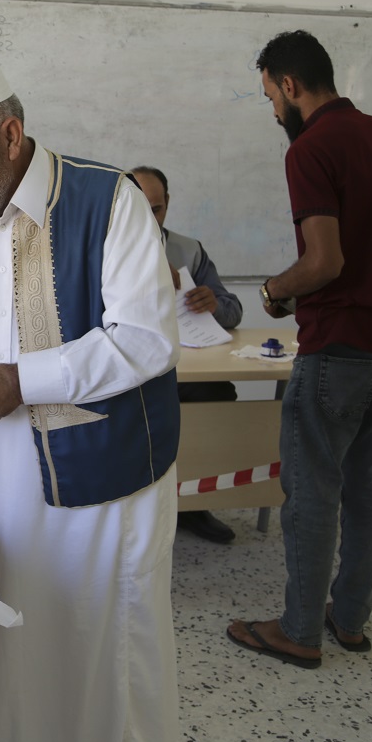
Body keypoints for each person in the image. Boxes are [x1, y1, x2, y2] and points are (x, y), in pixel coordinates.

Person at [0, 61, 181, 742]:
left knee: (102, 649)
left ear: (9, 133)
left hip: (102, 486)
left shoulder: (105, 199)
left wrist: (21, 381)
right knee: (11, 651)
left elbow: (145, 338)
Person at [227, 31, 372, 668]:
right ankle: (349, 620)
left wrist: (274, 290)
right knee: (368, 491)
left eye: (270, 97)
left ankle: (298, 630)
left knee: (312, 491)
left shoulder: (312, 149)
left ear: (290, 86)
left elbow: (323, 261)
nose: (272, 112)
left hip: (340, 349)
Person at [133, 164, 243, 544]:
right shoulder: (99, 247)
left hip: (187, 368)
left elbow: (233, 310)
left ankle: (195, 503)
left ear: (167, 206)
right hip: (132, 372)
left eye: (157, 208)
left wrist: (213, 304)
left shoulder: (188, 249)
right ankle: (137, 508)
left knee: (219, 395)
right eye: (140, 207)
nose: (150, 217)